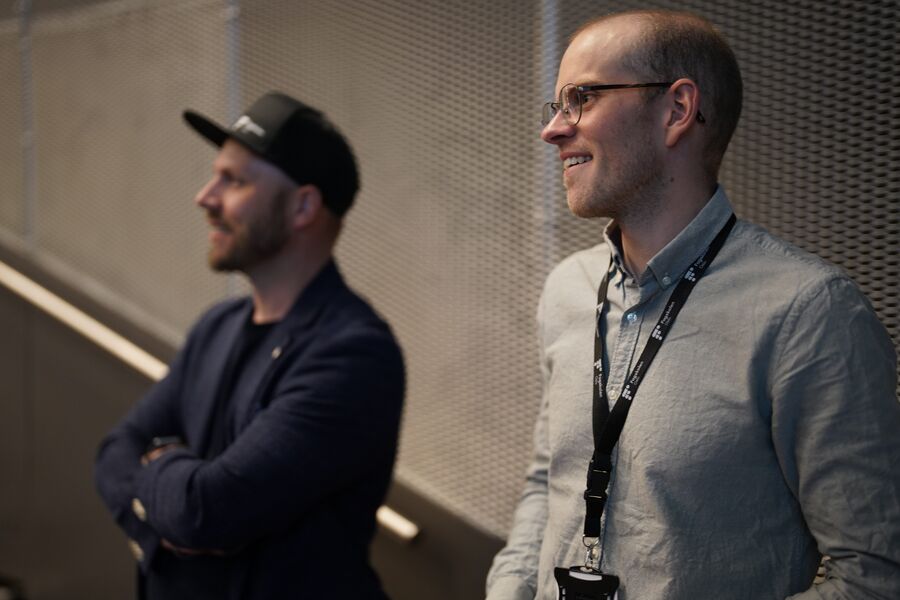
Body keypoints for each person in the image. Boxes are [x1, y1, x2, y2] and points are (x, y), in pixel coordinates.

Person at [486, 10, 899, 600]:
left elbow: (875, 577)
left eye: (580, 98)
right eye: (554, 106)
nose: (553, 130)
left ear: (677, 110)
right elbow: (550, 481)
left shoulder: (810, 315)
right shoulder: (568, 288)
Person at [95, 91, 404, 599]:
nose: (205, 197)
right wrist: (165, 521)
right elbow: (114, 451)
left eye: (233, 181)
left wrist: (159, 468)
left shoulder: (353, 353)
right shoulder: (217, 325)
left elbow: (207, 511)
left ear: (304, 205)